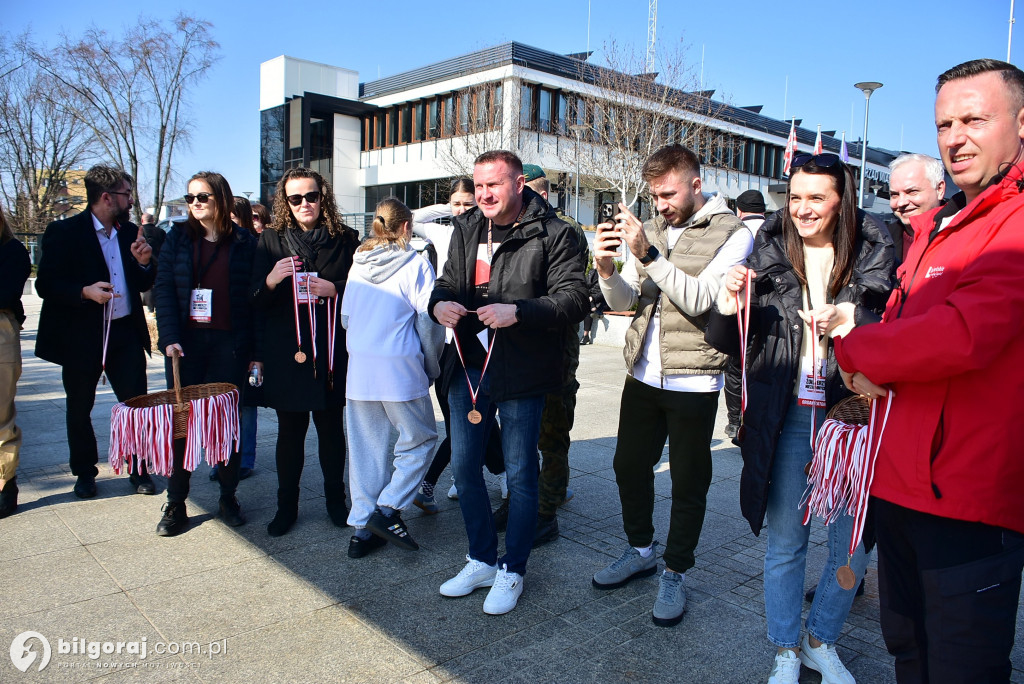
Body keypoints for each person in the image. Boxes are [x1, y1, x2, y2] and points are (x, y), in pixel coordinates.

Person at [834, 58, 1024, 683]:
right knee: (909, 655)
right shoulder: (943, 227)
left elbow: (964, 334)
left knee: (963, 669)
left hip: (968, 501)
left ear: (1020, 123)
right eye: (945, 123)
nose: (955, 137)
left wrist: (856, 349)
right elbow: (903, 325)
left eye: (975, 119)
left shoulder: (1013, 222)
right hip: (899, 486)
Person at [708, 153, 893, 683]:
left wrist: (853, 320)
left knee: (852, 541)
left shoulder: (875, 255)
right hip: (788, 414)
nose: (804, 208)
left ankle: (821, 638)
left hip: (851, 414)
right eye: (795, 196)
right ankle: (786, 647)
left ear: (843, 200)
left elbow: (896, 331)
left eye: (818, 197)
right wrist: (729, 303)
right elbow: (727, 346)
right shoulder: (764, 253)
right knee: (787, 538)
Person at [590, 144, 752, 628]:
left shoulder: (733, 232)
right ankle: (641, 549)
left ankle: (676, 570)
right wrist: (606, 271)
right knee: (627, 465)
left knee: (688, 481)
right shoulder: (656, 229)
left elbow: (703, 299)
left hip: (695, 378)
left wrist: (649, 254)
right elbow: (632, 298)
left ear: (695, 183)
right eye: (653, 195)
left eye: (667, 193)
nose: (659, 205)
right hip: (643, 371)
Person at [430, 149, 587, 615]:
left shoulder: (555, 232)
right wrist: (438, 305)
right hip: (468, 362)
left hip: (522, 369)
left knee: (520, 473)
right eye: (478, 187)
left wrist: (518, 311)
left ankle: (512, 569)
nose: (484, 195)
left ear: (519, 184)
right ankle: (480, 558)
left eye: (493, 185)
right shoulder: (465, 228)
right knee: (463, 467)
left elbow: (575, 299)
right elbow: (446, 284)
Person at [35, 165, 156, 499]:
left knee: (136, 407)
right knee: (79, 407)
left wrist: (145, 263)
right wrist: (84, 291)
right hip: (82, 336)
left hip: (125, 335)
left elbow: (144, 281)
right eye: (126, 194)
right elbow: (46, 284)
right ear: (106, 197)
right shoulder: (64, 232)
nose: (131, 201)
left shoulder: (132, 232)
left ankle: (139, 469)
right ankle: (85, 473)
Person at [251, 167, 359, 537]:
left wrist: (336, 288)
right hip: (289, 351)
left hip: (330, 351)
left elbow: (362, 290)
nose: (304, 204)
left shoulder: (346, 239)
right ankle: (287, 507)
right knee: (290, 434)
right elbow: (253, 300)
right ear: (285, 201)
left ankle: (335, 501)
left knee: (331, 432)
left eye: (311, 196)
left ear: (322, 197)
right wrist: (271, 279)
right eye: (295, 198)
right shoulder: (270, 240)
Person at [152, 172, 257, 536]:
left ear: (221, 199)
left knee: (225, 426)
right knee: (180, 427)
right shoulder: (177, 238)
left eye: (203, 196)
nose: (195, 202)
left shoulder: (244, 242)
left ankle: (228, 496)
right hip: (186, 347)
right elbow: (163, 290)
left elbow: (252, 299)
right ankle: (176, 502)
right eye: (191, 196)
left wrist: (252, 349)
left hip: (229, 345)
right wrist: (168, 337)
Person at [341, 198, 444, 558]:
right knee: (419, 440)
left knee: (365, 450)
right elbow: (428, 319)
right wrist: (432, 365)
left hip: (361, 368)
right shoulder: (415, 263)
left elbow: (346, 319)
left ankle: (361, 529)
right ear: (405, 228)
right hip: (400, 365)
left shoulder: (357, 264)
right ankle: (387, 510)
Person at [492, 164, 586, 546]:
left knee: (551, 429)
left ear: (538, 194)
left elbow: (569, 294)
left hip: (554, 345)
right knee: (519, 434)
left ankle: (546, 509)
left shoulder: (565, 230)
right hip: (518, 345)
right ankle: (520, 501)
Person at [412, 179, 506, 514]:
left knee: (472, 414)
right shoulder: (444, 232)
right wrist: (449, 209)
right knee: (464, 417)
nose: (463, 210)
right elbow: (413, 217)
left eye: (469, 203)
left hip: (481, 339)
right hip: (447, 343)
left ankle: (440, 479)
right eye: (457, 204)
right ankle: (496, 468)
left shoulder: (490, 234)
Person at [724, 189, 768, 440]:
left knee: (736, 367)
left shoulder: (736, 232)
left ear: (740, 210)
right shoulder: (776, 230)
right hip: (772, 311)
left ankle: (734, 421)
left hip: (742, 309)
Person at [0, 207, 31, 517]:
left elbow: (5, 292)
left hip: (1, 331)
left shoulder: (12, 251)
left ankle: (4, 484)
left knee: (0, 416)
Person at [886, 153, 946, 265]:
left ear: (939, 189)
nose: (901, 202)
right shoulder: (881, 239)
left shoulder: (963, 235)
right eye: (894, 194)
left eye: (912, 192)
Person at [140, 212, 165, 313]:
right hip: (160, 262)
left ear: (142, 221)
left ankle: (150, 309)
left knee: (147, 286)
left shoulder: (139, 233)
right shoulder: (161, 232)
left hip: (146, 262)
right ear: (153, 220)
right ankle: (159, 306)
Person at [580, 266, 608, 345]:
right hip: (590, 299)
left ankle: (585, 336)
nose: (593, 262)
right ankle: (594, 308)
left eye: (595, 260)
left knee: (588, 309)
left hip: (602, 301)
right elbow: (585, 286)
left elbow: (606, 291)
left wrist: (593, 298)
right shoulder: (591, 272)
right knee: (586, 307)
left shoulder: (605, 273)